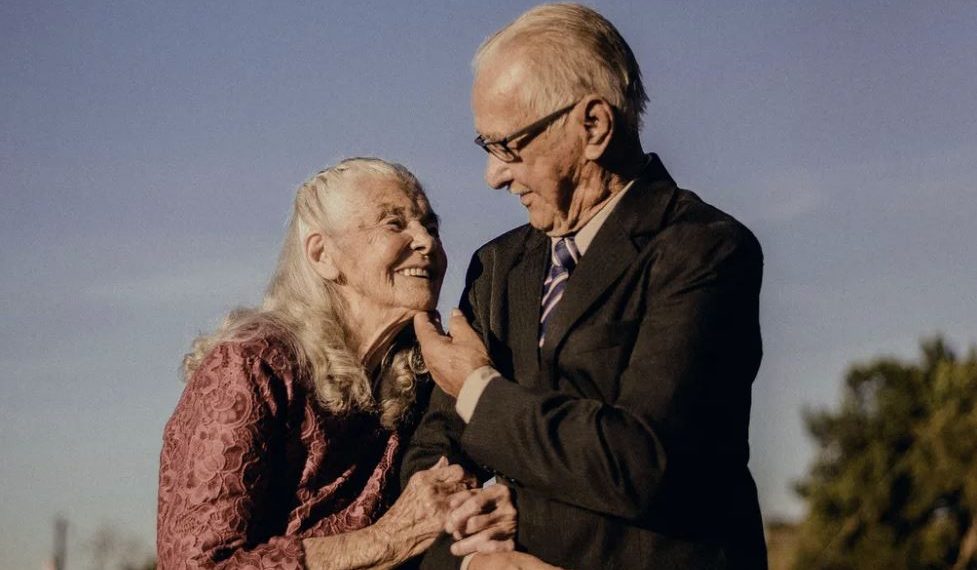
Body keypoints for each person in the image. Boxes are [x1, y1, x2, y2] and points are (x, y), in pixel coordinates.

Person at [403, 4, 767, 569]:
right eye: (486, 147)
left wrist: (478, 388)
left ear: (593, 126)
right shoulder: (496, 266)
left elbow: (643, 462)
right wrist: (475, 553)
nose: (493, 175)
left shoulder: (705, 250)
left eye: (508, 146)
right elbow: (432, 457)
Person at [157, 158, 515, 569]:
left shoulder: (423, 373)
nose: (427, 242)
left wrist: (488, 515)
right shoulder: (249, 366)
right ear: (323, 254)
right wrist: (387, 538)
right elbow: (199, 565)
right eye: (394, 224)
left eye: (430, 226)